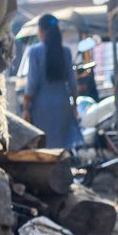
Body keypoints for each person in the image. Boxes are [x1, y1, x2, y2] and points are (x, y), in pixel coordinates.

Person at [23, 14, 81, 149]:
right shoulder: (65, 52)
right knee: (61, 147)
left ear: (41, 31)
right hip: (62, 105)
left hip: (41, 108)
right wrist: (75, 106)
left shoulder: (34, 52)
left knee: (45, 147)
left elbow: (32, 83)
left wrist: (26, 107)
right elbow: (73, 83)